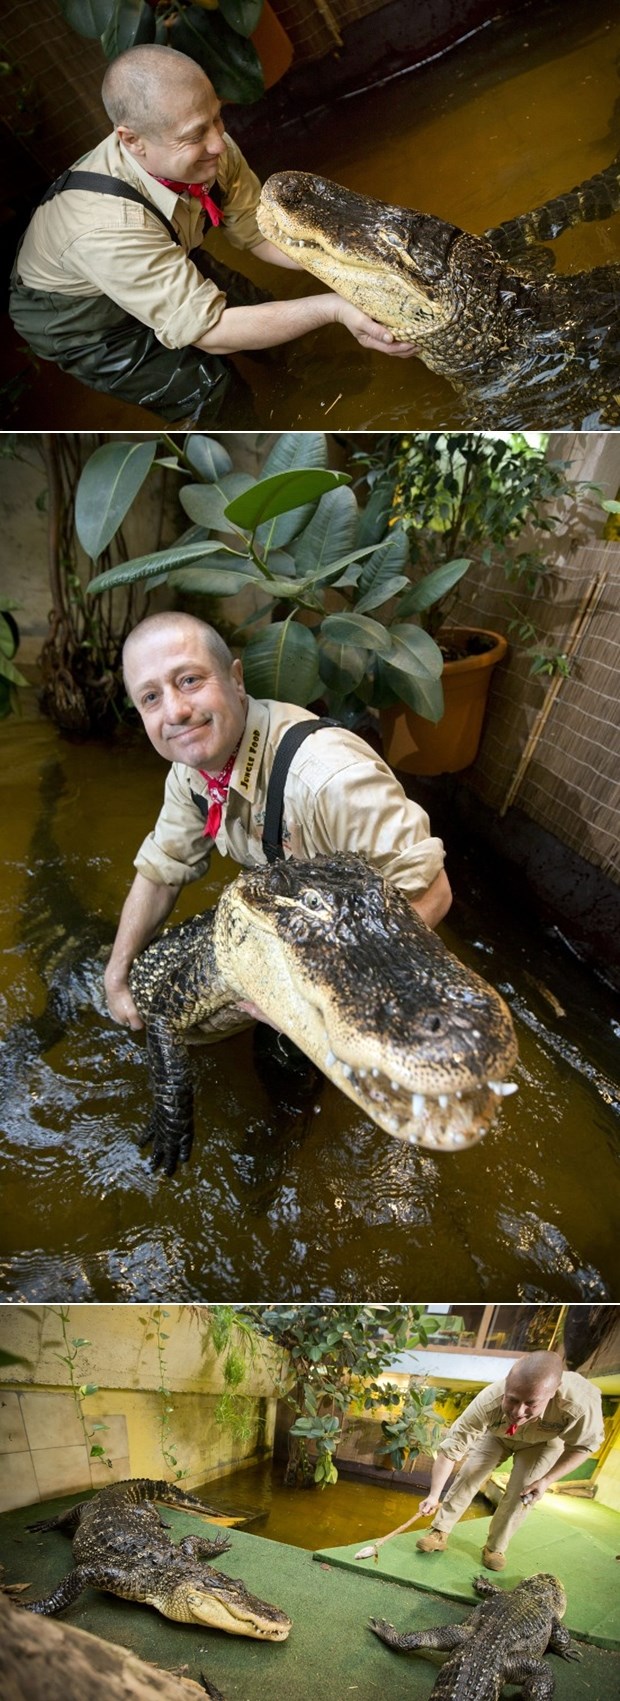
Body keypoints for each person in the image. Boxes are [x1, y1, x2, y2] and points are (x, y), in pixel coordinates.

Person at [9, 44, 417, 424]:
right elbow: (213, 332)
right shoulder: (107, 227)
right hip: (83, 318)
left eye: (217, 118)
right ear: (132, 140)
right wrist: (334, 307)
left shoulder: (207, 151)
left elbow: (260, 234)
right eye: (195, 135)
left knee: (274, 323)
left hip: (158, 248)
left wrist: (356, 272)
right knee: (213, 393)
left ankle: (336, 396)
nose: (219, 144)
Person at [103, 611, 452, 1031]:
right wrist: (116, 976)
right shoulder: (191, 774)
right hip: (305, 926)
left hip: (370, 955)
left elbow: (433, 893)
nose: (175, 711)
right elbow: (162, 873)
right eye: (150, 698)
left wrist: (309, 997)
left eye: (190, 680)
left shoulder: (328, 779)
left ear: (236, 679)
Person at [416, 1350, 605, 1570]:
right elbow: (451, 1450)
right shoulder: (489, 1400)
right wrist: (433, 1495)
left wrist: (546, 1481)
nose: (518, 1411)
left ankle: (495, 1548)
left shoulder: (581, 1404)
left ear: (553, 1392)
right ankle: (440, 1531)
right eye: (512, 1399)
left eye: (531, 1403)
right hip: (498, 1436)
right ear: (507, 1383)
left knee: (523, 1491)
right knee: (470, 1472)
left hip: (543, 1443)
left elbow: (583, 1447)